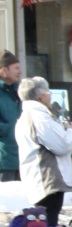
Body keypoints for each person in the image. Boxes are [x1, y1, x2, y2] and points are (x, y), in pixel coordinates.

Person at [15, 76, 72, 227]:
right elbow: (60, 145)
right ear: (41, 96)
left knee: (43, 224)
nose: (50, 98)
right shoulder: (39, 116)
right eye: (49, 94)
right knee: (47, 225)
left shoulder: (26, 116)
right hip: (47, 179)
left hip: (40, 178)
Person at [0, 51, 22, 181]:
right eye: (16, 68)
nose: (19, 71)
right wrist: (9, 129)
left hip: (20, 157)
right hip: (4, 159)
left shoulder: (17, 91)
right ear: (3, 70)